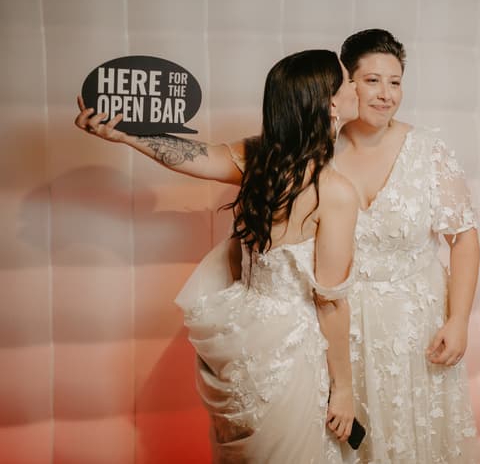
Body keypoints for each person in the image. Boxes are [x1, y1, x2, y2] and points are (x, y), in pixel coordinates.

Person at [76, 29, 480, 463]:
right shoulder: (299, 153)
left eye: (396, 81)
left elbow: (465, 238)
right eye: (367, 81)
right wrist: (127, 135)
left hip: (405, 330)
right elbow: (203, 157)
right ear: (342, 90)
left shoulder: (424, 151)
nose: (384, 94)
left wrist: (458, 320)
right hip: (330, 332)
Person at [80, 49, 361, 462]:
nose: (357, 85)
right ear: (331, 102)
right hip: (291, 352)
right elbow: (330, 303)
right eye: (349, 80)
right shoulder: (334, 191)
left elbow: (193, 158)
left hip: (245, 337)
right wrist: (344, 388)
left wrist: (124, 134)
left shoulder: (259, 157)